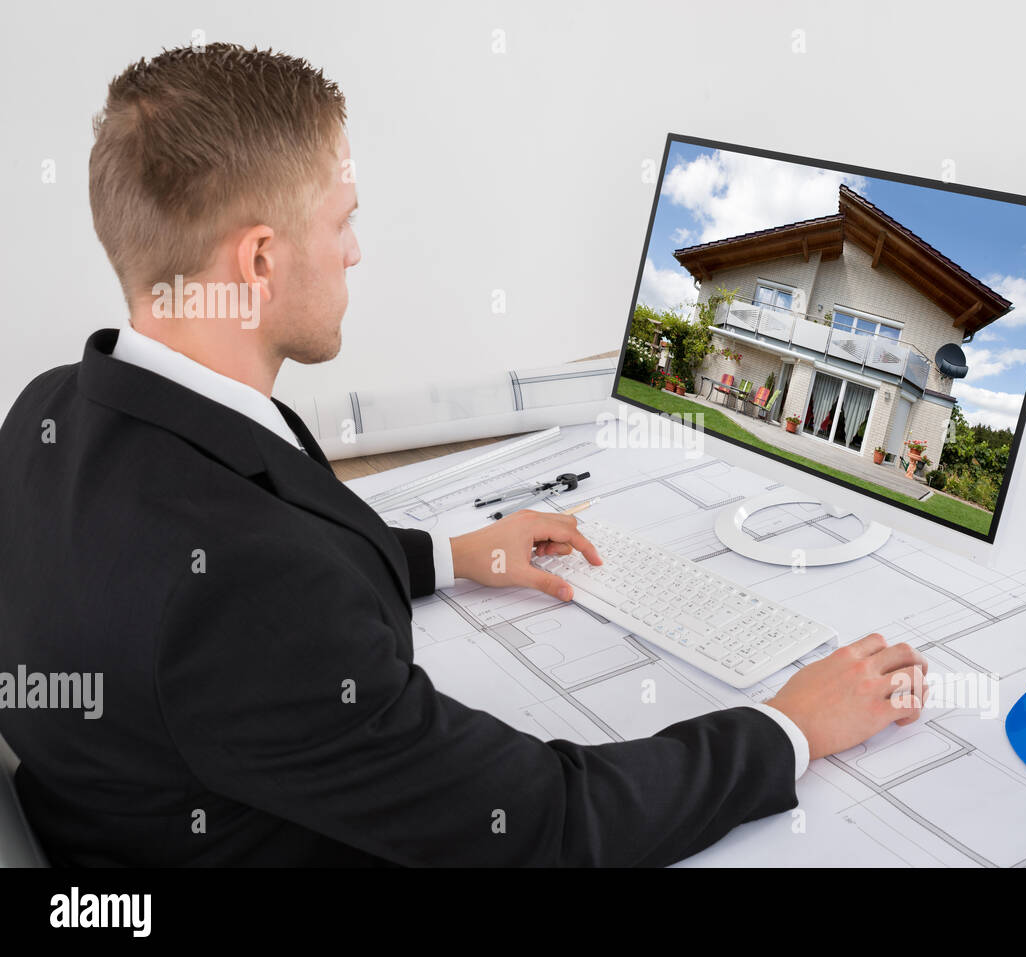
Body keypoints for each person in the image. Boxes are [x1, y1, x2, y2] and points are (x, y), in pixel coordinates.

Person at [0, 44, 927, 866]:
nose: (357, 252)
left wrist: (450, 554)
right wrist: (788, 727)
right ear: (259, 261)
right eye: (342, 220)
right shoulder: (252, 592)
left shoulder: (52, 411)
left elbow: (242, 547)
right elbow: (545, 823)